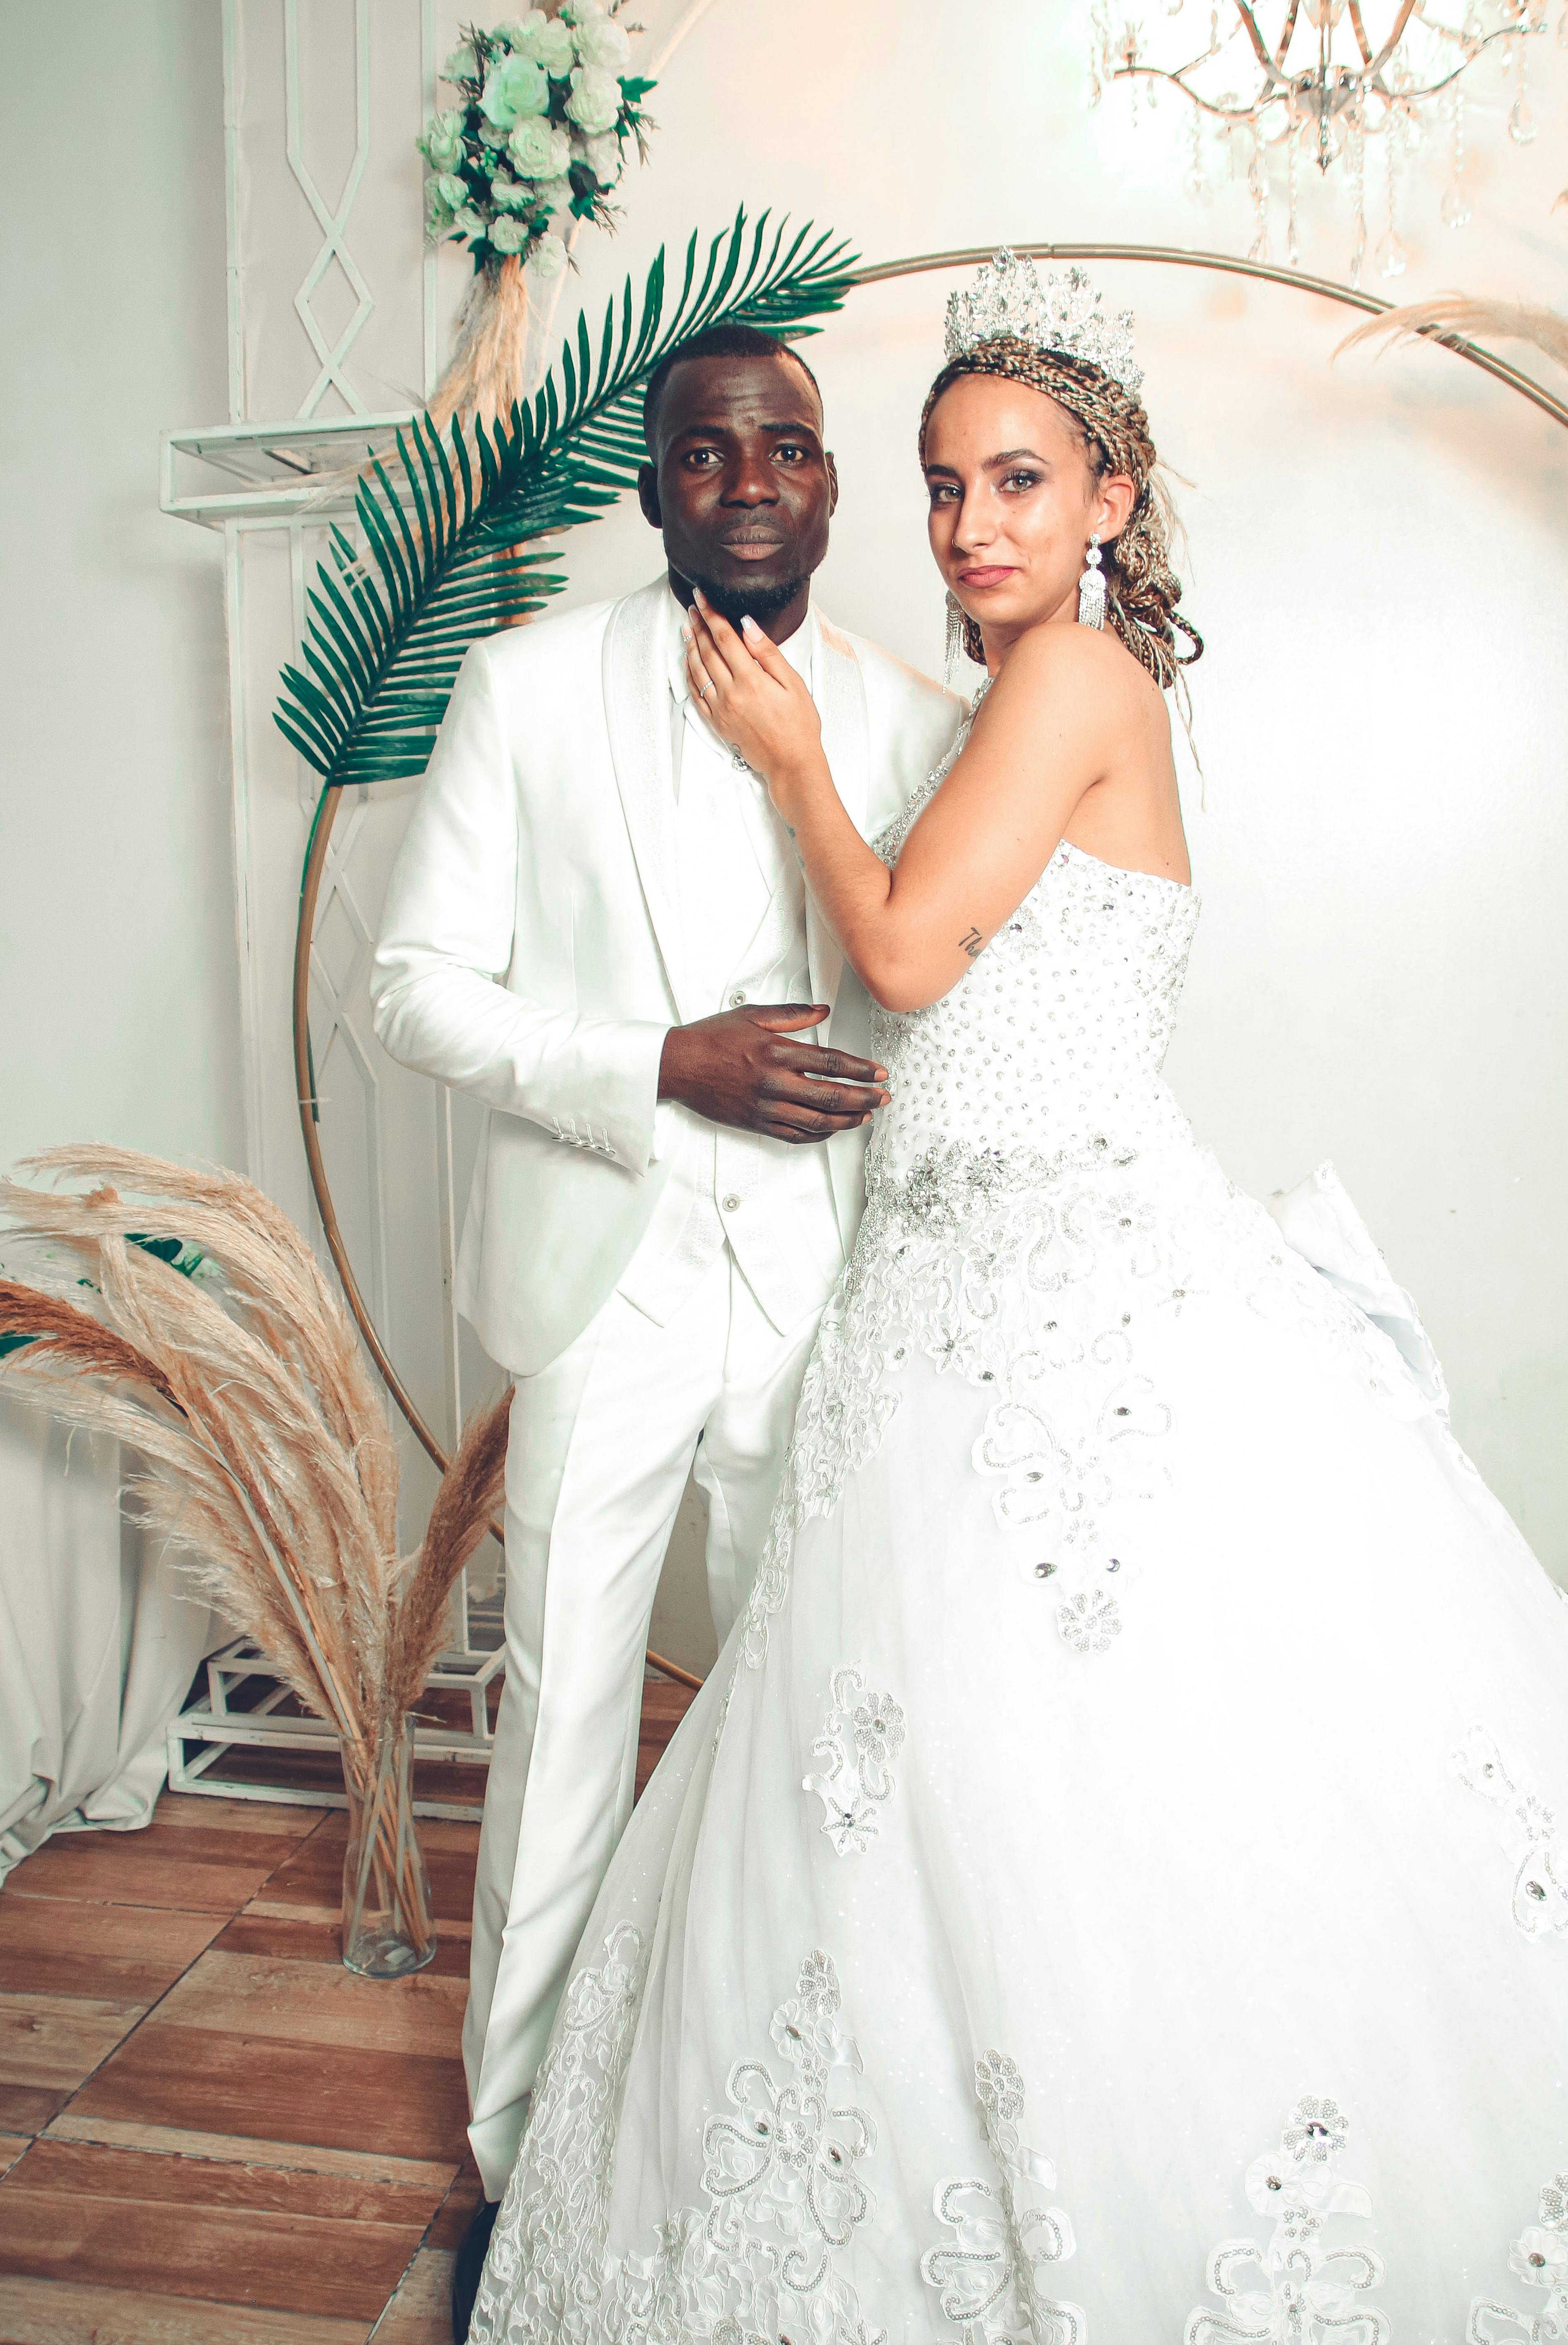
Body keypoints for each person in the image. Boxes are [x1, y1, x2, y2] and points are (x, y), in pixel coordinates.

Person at [467, 253, 1568, 2340]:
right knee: (930, 1781)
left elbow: (899, 956)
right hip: (941, 1275)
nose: (975, 522)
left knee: (1055, 1756)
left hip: (1060, 1279)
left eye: (1023, 480)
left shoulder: (1069, 681)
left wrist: (792, 760)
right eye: (949, 483)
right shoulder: (1011, 695)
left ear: (1111, 499)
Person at [369, 323, 961, 2333]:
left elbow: (945, 987)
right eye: (707, 452)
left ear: (831, 479)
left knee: (818, 1717)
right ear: (653, 487)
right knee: (564, 1709)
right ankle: (518, 2154)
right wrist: (654, 1063)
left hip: (825, 1283)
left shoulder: (917, 720)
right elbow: (412, 986)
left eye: (787, 446)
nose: (750, 480)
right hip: (601, 1272)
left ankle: (802, 2124)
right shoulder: (525, 689)